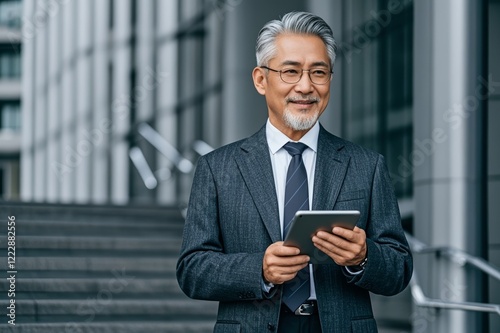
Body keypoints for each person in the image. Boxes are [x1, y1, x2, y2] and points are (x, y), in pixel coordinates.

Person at [176, 11, 412, 333]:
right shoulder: (218, 169)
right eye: (290, 71)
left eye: (319, 72)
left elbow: (399, 268)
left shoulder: (367, 166)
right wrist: (259, 269)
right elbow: (192, 270)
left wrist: (364, 256)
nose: (305, 86)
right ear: (261, 79)